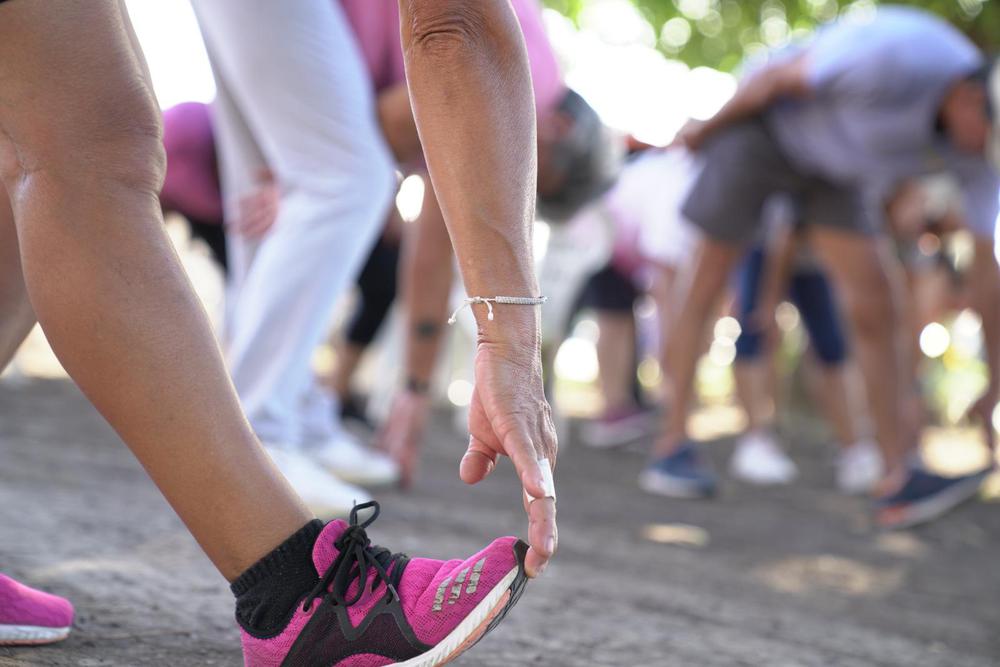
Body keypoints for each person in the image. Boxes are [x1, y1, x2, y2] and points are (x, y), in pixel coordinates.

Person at [0, 0, 556, 663]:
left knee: (47, 140)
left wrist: (491, 346)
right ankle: (296, 591)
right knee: (88, 142)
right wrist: (508, 346)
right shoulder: (541, 74)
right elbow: (455, 28)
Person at [644, 6, 999, 528]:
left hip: (836, 170)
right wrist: (708, 128)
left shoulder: (980, 144)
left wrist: (995, 386)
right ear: (970, 98)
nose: (980, 154)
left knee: (877, 303)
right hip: (763, 128)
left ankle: (897, 475)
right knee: (707, 282)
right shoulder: (902, 53)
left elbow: (985, 267)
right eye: (985, 139)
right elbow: (776, 80)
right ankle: (671, 445)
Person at [377, 0, 622, 481]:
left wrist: (414, 389)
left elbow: (436, 239)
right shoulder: (522, 87)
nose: (513, 189)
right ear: (560, 128)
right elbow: (435, 239)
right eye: (532, 178)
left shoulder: (528, 81)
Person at [725, 198, 882, 492]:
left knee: (831, 345)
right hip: (765, 241)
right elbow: (784, 232)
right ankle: (755, 439)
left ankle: (853, 449)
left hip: (812, 254)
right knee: (755, 330)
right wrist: (768, 299)